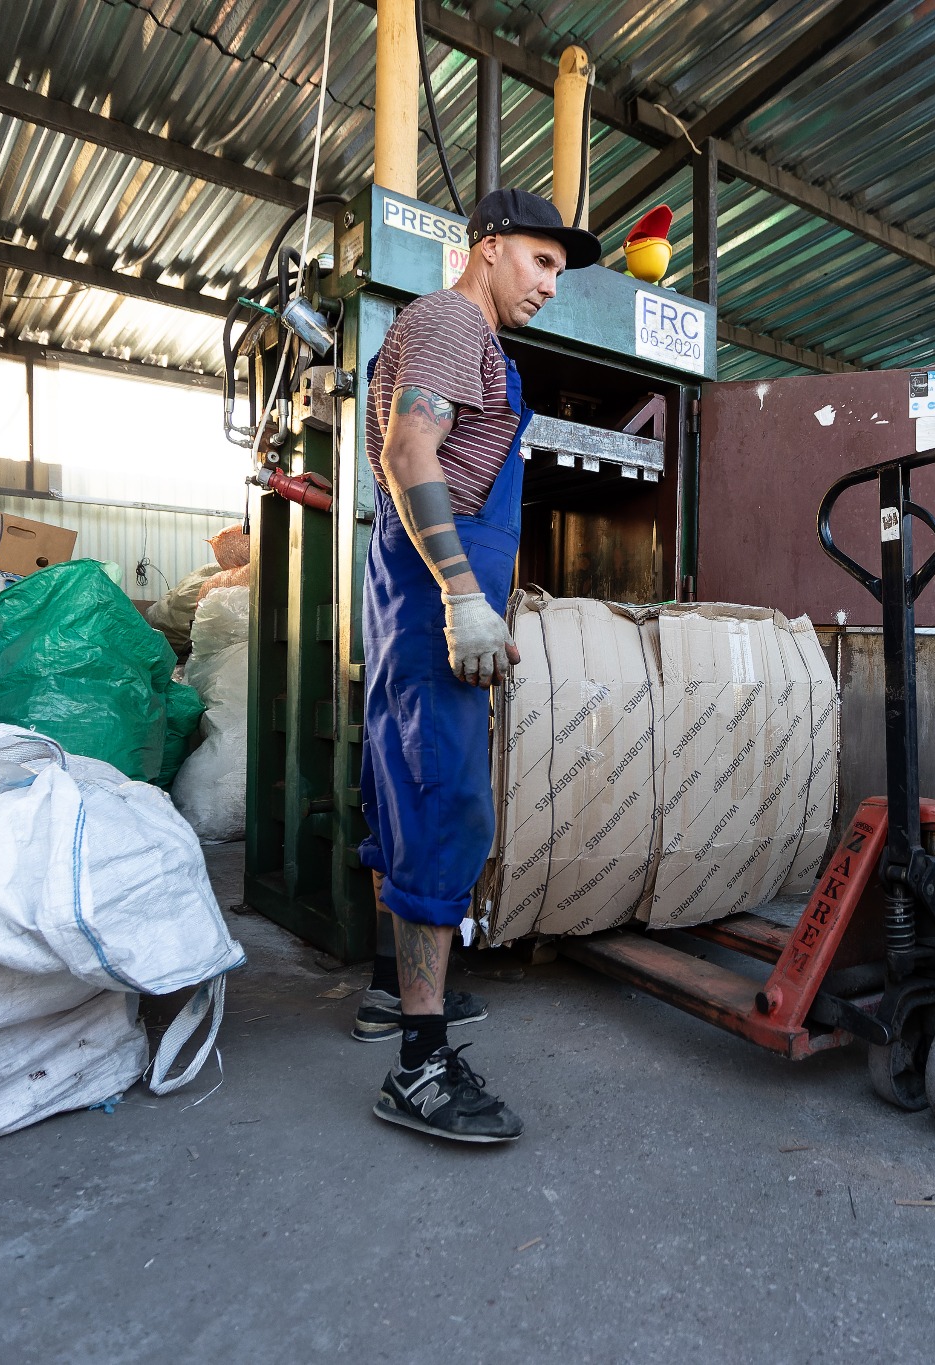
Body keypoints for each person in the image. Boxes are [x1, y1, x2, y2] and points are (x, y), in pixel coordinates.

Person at [354, 188, 600, 1143]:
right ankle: (417, 1067)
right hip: (431, 583)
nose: (550, 285)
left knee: (400, 788)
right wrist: (462, 594)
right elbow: (411, 447)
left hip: (413, 578)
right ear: (489, 248)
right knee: (444, 799)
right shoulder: (455, 318)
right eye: (541, 262)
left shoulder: (453, 332)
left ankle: (393, 991)